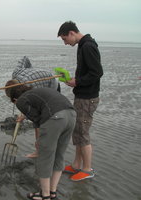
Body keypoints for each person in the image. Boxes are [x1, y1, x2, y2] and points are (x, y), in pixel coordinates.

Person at [8, 85, 76, 200]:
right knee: (59, 155)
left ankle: (45, 196)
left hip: (55, 118)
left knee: (45, 157)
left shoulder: (20, 101)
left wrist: (39, 139)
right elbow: (40, 113)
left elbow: (38, 119)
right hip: (71, 115)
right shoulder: (38, 92)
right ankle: (52, 192)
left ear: (15, 99)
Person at [57, 21, 103, 181]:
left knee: (83, 133)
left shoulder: (88, 46)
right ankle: (77, 165)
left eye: (64, 39)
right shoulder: (82, 45)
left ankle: (87, 169)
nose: (65, 43)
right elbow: (88, 72)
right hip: (82, 95)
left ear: (71, 33)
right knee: (77, 130)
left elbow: (97, 72)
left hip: (88, 98)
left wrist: (78, 82)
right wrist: (77, 79)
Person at [5, 56, 61, 158]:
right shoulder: (15, 74)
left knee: (41, 121)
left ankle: (42, 150)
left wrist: (25, 115)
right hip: (36, 80)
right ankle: (40, 149)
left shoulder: (33, 88)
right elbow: (24, 59)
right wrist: (31, 69)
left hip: (51, 85)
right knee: (37, 119)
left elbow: (36, 114)